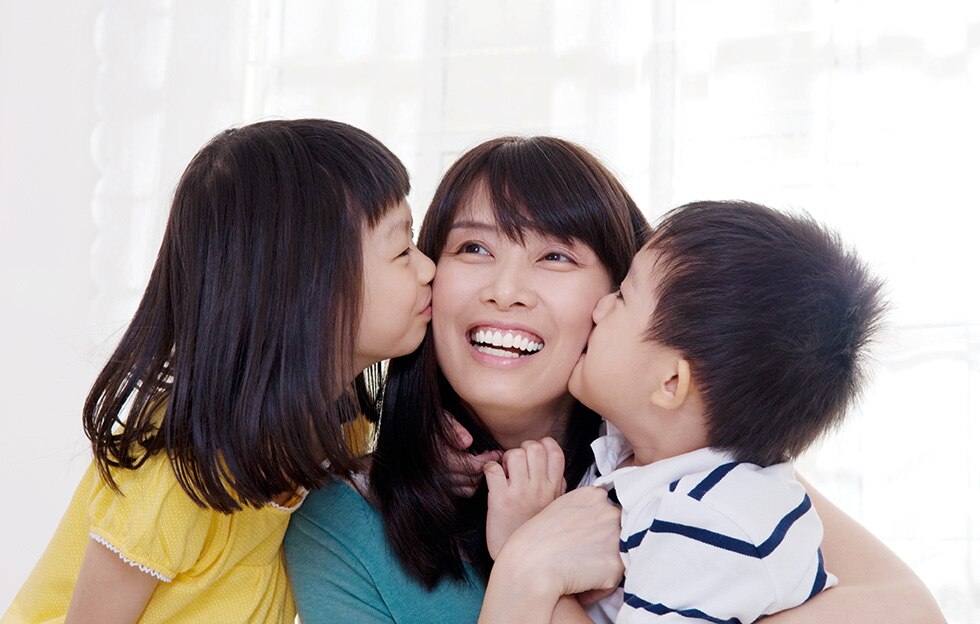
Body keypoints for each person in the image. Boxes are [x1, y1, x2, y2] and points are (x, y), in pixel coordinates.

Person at [284, 138, 945, 624]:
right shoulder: (339, 528)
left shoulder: (691, 461)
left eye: (556, 256)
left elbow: (911, 612)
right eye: (473, 248)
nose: (506, 291)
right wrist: (524, 573)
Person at [3, 119, 435, 623]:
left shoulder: (338, 424)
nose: (427, 268)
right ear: (308, 293)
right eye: (402, 251)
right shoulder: (175, 474)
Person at [503, 199, 885, 623]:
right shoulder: (654, 459)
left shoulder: (711, 524)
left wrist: (524, 545)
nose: (600, 307)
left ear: (670, 384)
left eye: (623, 298)